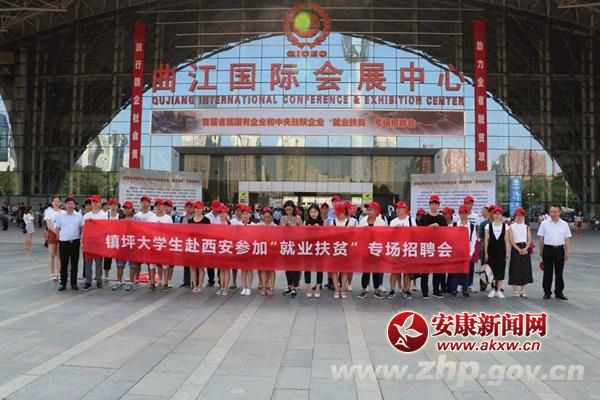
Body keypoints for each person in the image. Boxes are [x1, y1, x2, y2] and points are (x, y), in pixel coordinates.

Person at [538, 205, 572, 300]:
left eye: (555, 212)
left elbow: (567, 239)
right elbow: (541, 237)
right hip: (547, 249)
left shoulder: (564, 224)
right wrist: (541, 250)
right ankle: (547, 292)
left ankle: (559, 292)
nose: (552, 213)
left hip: (560, 249)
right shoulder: (544, 223)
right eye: (551, 211)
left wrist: (567, 252)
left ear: (559, 212)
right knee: (547, 271)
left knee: (559, 272)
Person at [418, 195, 447, 299]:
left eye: (436, 204)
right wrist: (431, 226)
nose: (434, 206)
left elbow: (446, 233)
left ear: (438, 205)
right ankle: (425, 292)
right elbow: (420, 232)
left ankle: (436, 290)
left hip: (438, 247)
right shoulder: (424, 217)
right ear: (429, 205)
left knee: (437, 270)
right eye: (432, 204)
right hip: (426, 246)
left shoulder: (442, 218)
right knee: (425, 271)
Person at [328, 202, 357, 299]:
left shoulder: (350, 223)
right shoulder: (333, 222)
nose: (339, 214)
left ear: (344, 212)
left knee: (344, 271)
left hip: (346, 249)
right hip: (335, 249)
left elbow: (354, 237)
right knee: (334, 271)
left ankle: (343, 289)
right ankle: (337, 290)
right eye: (337, 212)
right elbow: (330, 236)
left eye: (340, 212)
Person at [358, 202, 386, 299]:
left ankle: (376, 290)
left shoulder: (381, 222)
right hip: (365, 248)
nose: (368, 211)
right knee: (365, 270)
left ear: (376, 211)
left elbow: (384, 235)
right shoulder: (363, 221)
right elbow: (358, 234)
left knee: (376, 270)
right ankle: (363, 290)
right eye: (368, 209)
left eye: (371, 209)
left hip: (376, 248)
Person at [54, 196, 83, 291]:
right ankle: (63, 283)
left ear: (75, 205)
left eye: (72, 203)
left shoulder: (79, 216)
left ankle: (74, 283)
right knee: (64, 263)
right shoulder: (60, 216)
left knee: (74, 263)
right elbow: (57, 228)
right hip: (64, 242)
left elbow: (81, 229)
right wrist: (58, 237)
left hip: (75, 242)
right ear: (65, 205)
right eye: (68, 203)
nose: (70, 205)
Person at [388, 201, 416, 299]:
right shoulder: (393, 222)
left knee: (407, 271)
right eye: (397, 208)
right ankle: (392, 290)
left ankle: (407, 290)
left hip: (408, 248)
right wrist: (395, 231)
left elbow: (416, 234)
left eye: (401, 208)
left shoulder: (411, 220)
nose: (398, 210)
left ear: (405, 209)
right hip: (396, 248)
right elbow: (388, 236)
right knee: (394, 271)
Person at [81, 195, 108, 290]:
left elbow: (105, 228)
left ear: (100, 203)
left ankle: (99, 281)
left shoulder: (103, 215)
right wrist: (81, 241)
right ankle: (88, 281)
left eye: (97, 202)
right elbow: (83, 229)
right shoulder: (87, 215)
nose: (95, 204)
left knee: (98, 263)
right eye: (93, 202)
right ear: (91, 203)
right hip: (88, 242)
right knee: (88, 263)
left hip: (99, 242)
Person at [449, 205, 475, 299]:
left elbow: (473, 241)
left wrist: (471, 253)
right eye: (461, 213)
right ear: (459, 214)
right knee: (455, 272)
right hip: (456, 252)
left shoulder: (471, 226)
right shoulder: (454, 225)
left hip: (466, 252)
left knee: (465, 272)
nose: (463, 215)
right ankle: (454, 291)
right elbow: (448, 237)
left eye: (465, 213)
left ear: (468, 214)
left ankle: (465, 291)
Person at [484, 206, 510, 298]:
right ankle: (492, 289)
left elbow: (507, 240)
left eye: (499, 214)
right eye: (495, 214)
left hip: (501, 251)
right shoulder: (488, 226)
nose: (497, 215)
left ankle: (498, 290)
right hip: (491, 251)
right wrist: (486, 253)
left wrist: (507, 252)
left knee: (500, 270)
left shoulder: (505, 226)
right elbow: (486, 240)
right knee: (491, 271)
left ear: (501, 215)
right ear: (493, 215)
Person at [507, 207, 533, 298]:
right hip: (515, 248)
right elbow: (511, 240)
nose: (519, 217)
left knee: (525, 269)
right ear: (514, 216)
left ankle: (523, 290)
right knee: (515, 268)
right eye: (517, 215)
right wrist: (518, 249)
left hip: (525, 248)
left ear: (523, 217)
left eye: (521, 216)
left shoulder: (526, 227)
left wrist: (525, 248)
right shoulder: (511, 227)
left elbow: (529, 239)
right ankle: (515, 290)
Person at [134, 195, 158, 290]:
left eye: (146, 202)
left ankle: (150, 280)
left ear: (149, 204)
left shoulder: (152, 215)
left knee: (149, 262)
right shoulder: (137, 215)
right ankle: (136, 278)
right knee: (137, 262)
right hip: (139, 241)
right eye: (143, 202)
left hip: (149, 241)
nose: (144, 204)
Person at [280, 200, 302, 297]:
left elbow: (301, 230)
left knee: (296, 267)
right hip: (286, 244)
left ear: (293, 209)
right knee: (288, 267)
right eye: (287, 209)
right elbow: (280, 230)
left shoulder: (298, 218)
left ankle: (295, 287)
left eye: (290, 209)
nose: (288, 211)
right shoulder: (283, 218)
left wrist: (291, 226)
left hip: (296, 245)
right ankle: (289, 286)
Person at [152, 199, 174, 292]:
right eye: (157, 206)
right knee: (153, 265)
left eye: (160, 205)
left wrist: (162, 227)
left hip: (164, 243)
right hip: (154, 243)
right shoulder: (151, 217)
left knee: (165, 265)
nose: (158, 207)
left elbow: (171, 231)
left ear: (163, 207)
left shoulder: (168, 218)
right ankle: (153, 283)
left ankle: (166, 283)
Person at [303, 203, 324, 298]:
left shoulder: (322, 222)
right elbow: (301, 235)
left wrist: (319, 229)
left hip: (319, 248)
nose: (313, 213)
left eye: (315, 211)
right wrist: (307, 229)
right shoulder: (306, 222)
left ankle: (318, 287)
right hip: (308, 248)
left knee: (319, 268)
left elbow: (326, 235)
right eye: (311, 211)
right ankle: (308, 287)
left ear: (318, 212)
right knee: (307, 268)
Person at [188, 201, 210, 293]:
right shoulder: (190, 220)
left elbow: (208, 233)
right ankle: (194, 285)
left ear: (202, 209)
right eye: (196, 208)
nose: (197, 210)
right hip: (192, 245)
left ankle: (200, 285)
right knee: (192, 266)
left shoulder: (206, 220)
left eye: (199, 208)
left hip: (202, 245)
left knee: (201, 267)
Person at [120, 201, 140, 291]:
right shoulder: (120, 218)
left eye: (128, 208)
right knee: (120, 264)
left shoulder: (136, 218)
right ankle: (119, 282)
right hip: (123, 243)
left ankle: (131, 282)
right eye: (125, 208)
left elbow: (140, 230)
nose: (126, 210)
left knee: (132, 265)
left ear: (132, 209)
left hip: (133, 244)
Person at [257, 206, 277, 296]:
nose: (267, 219)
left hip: (272, 251)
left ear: (272, 217)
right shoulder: (259, 226)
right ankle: (264, 287)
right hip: (262, 250)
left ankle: (272, 288)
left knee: (271, 270)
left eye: (268, 217)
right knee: (263, 270)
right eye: (265, 217)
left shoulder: (275, 227)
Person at [44, 196, 64, 282]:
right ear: (52, 202)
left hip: (62, 234)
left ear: (60, 203)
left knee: (60, 255)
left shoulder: (63, 212)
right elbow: (49, 225)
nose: (56, 203)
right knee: (52, 255)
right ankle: (52, 274)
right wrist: (56, 233)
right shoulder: (49, 212)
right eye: (55, 201)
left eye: (58, 201)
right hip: (52, 234)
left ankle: (59, 273)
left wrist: (60, 233)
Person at [204, 200, 222, 287]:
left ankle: (220, 280)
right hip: (210, 241)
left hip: (219, 241)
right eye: (215, 208)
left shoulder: (222, 216)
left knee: (219, 262)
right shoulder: (207, 216)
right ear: (211, 207)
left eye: (217, 209)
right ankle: (211, 280)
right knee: (209, 262)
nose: (216, 210)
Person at [102, 198, 120, 283]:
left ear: (117, 206)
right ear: (109, 206)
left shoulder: (120, 216)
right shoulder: (105, 215)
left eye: (115, 205)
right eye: (111, 205)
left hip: (118, 240)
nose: (113, 207)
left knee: (119, 261)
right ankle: (106, 276)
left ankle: (119, 278)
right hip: (108, 240)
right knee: (107, 259)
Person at [229, 203, 245, 290]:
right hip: (234, 245)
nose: (238, 212)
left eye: (240, 210)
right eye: (237, 210)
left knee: (244, 266)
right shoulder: (231, 221)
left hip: (244, 245)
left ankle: (244, 283)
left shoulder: (246, 221)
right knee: (234, 265)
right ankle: (234, 281)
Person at [216, 204, 231, 295]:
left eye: (224, 213)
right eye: (220, 213)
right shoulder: (216, 224)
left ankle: (226, 287)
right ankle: (221, 287)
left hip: (227, 248)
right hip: (219, 249)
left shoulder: (229, 224)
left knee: (226, 269)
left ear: (227, 213)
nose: (222, 214)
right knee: (221, 269)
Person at [180, 200, 195, 288]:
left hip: (194, 242)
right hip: (185, 242)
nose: (189, 209)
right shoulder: (182, 218)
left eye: (191, 207)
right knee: (186, 263)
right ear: (185, 208)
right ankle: (186, 282)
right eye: (187, 207)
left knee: (195, 263)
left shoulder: (196, 217)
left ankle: (195, 282)